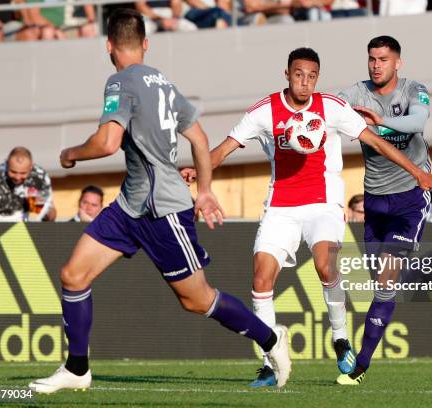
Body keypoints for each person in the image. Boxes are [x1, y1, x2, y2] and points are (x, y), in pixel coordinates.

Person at [28, 8, 290, 394]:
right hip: (131, 205)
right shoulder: (164, 84)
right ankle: (77, 368)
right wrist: (203, 189)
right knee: (73, 275)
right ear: (146, 44)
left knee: (197, 300)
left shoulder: (120, 82)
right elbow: (199, 139)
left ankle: (271, 339)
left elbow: (107, 143)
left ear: (109, 46)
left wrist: (70, 154)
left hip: (163, 209)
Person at [184, 47, 432, 387]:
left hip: (324, 204)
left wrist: (418, 173)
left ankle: (340, 338)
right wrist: (199, 169)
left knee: (325, 266)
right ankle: (269, 362)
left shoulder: (331, 107)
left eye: (311, 76)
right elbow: (224, 148)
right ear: (287, 74)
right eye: (298, 75)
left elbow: (377, 142)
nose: (304, 82)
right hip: (280, 206)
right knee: (261, 279)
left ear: (317, 78)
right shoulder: (265, 111)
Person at [337, 35, 432, 385]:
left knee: (386, 274)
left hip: (412, 194)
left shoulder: (414, 90)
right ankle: (404, 276)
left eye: (383, 59)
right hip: (374, 198)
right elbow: (326, 111)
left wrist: (378, 120)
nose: (375, 65)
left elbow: (417, 123)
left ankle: (360, 365)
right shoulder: (355, 94)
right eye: (371, 59)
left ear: (398, 63)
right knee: (381, 283)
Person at [0, 147, 57, 222]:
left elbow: (43, 210)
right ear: (6, 164)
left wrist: (45, 210)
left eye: (23, 173)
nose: (17, 177)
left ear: (31, 167)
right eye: (13, 172)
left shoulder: (39, 178)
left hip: (21, 224)